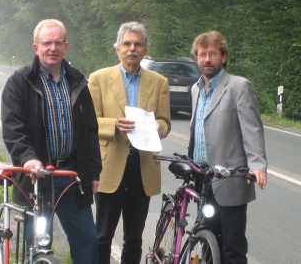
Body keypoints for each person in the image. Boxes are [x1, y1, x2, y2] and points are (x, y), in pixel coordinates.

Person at [1, 19, 101, 264]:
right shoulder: (20, 82)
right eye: (47, 43)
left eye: (58, 42)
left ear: (66, 46)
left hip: (71, 177)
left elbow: (90, 131)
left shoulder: (77, 81)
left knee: (88, 242)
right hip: (37, 179)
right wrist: (28, 158)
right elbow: (13, 129)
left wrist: (94, 171)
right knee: (37, 245)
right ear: (36, 47)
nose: (53, 48)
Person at [88, 21, 171, 264]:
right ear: (117, 48)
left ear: (145, 50)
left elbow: (165, 122)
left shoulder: (159, 82)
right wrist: (113, 124)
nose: (132, 49)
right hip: (110, 167)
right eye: (127, 44)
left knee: (134, 238)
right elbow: (88, 122)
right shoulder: (98, 78)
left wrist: (159, 127)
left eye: (138, 44)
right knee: (102, 236)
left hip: (142, 168)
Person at [188, 30, 268, 264]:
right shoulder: (195, 89)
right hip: (202, 176)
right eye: (202, 55)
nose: (206, 59)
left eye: (212, 54)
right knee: (207, 240)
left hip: (230, 177)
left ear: (223, 57)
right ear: (196, 58)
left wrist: (257, 165)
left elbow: (252, 129)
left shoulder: (238, 87)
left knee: (232, 247)